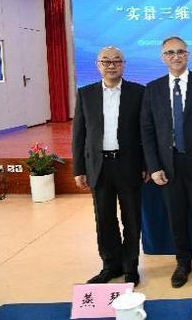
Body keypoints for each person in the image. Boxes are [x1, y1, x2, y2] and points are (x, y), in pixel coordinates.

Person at [140, 36, 192, 288]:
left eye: (180, 52)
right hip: (168, 165)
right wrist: (154, 166)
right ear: (162, 57)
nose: (175, 56)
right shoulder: (153, 88)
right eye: (169, 53)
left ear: (188, 55)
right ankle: (182, 263)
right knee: (175, 217)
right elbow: (147, 130)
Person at [72, 46, 145, 286]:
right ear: (98, 65)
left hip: (129, 164)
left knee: (132, 219)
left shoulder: (138, 92)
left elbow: (145, 132)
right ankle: (110, 266)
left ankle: (130, 267)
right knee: (104, 219)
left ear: (123, 64)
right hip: (99, 166)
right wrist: (79, 169)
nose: (111, 65)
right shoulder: (86, 94)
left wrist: (146, 164)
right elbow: (79, 135)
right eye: (106, 61)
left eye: (116, 61)